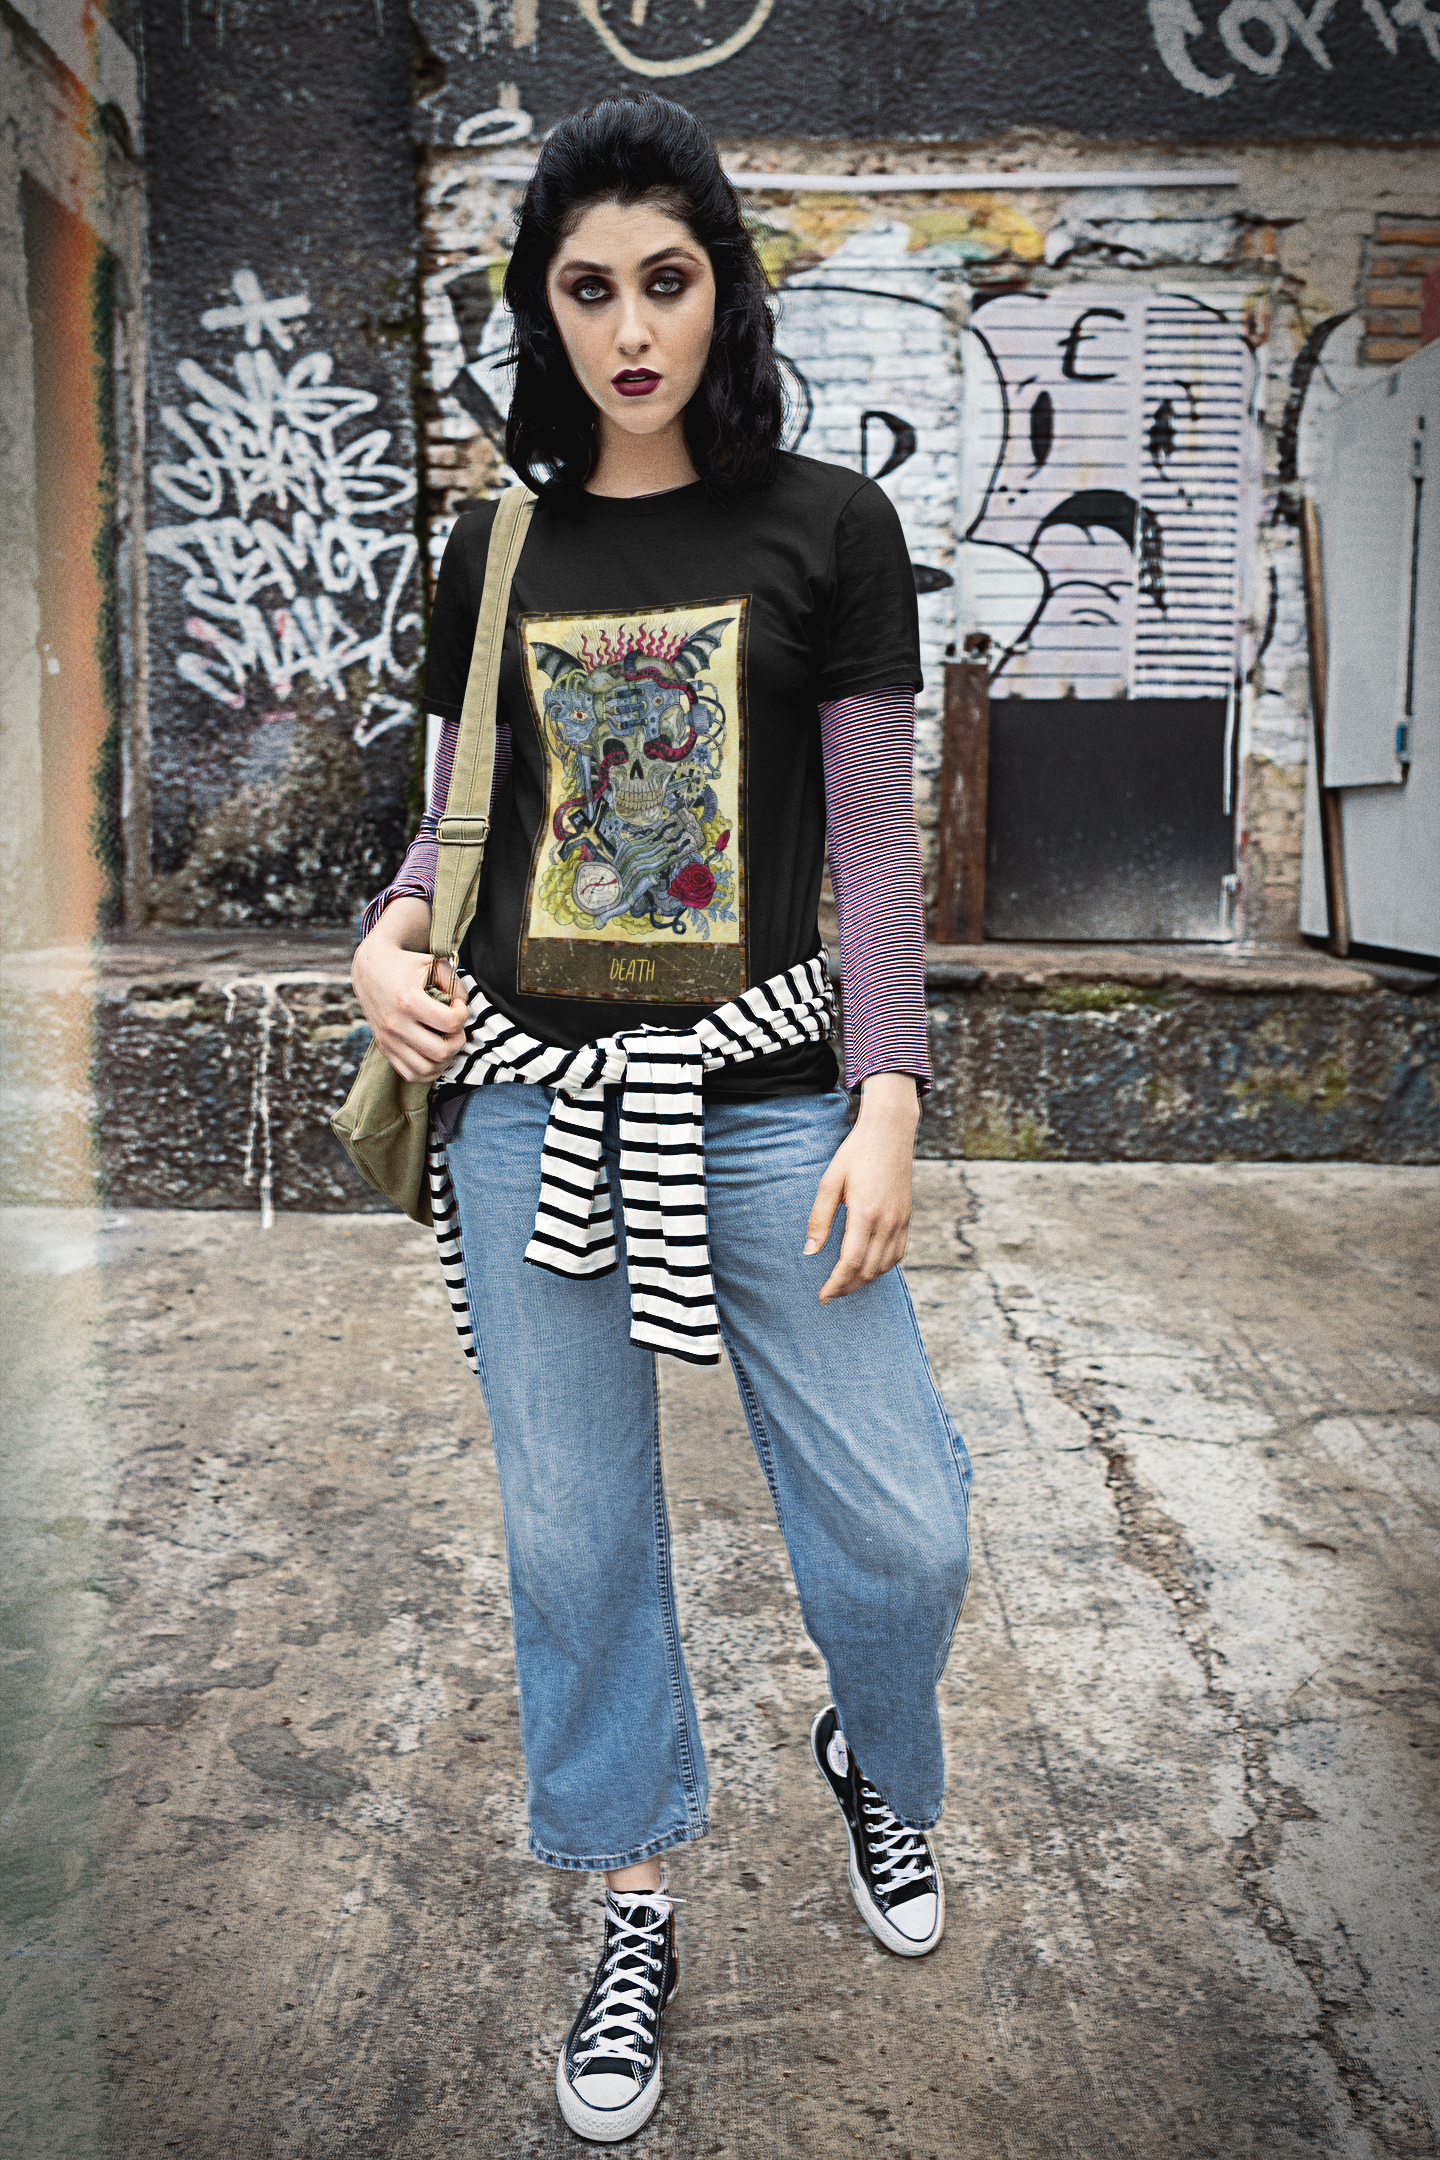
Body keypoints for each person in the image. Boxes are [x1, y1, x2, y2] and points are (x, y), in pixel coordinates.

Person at [351, 91, 971, 2146]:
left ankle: (875, 1751)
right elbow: (450, 826)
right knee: (575, 1539)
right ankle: (630, 1895)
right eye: (589, 287)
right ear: (544, 308)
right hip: (533, 1104)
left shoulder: (830, 529)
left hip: (774, 1100)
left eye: (670, 280)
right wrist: (380, 952)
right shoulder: (496, 543)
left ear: (723, 289)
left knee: (904, 1526)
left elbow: (873, 855)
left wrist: (888, 1094)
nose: (633, 327)